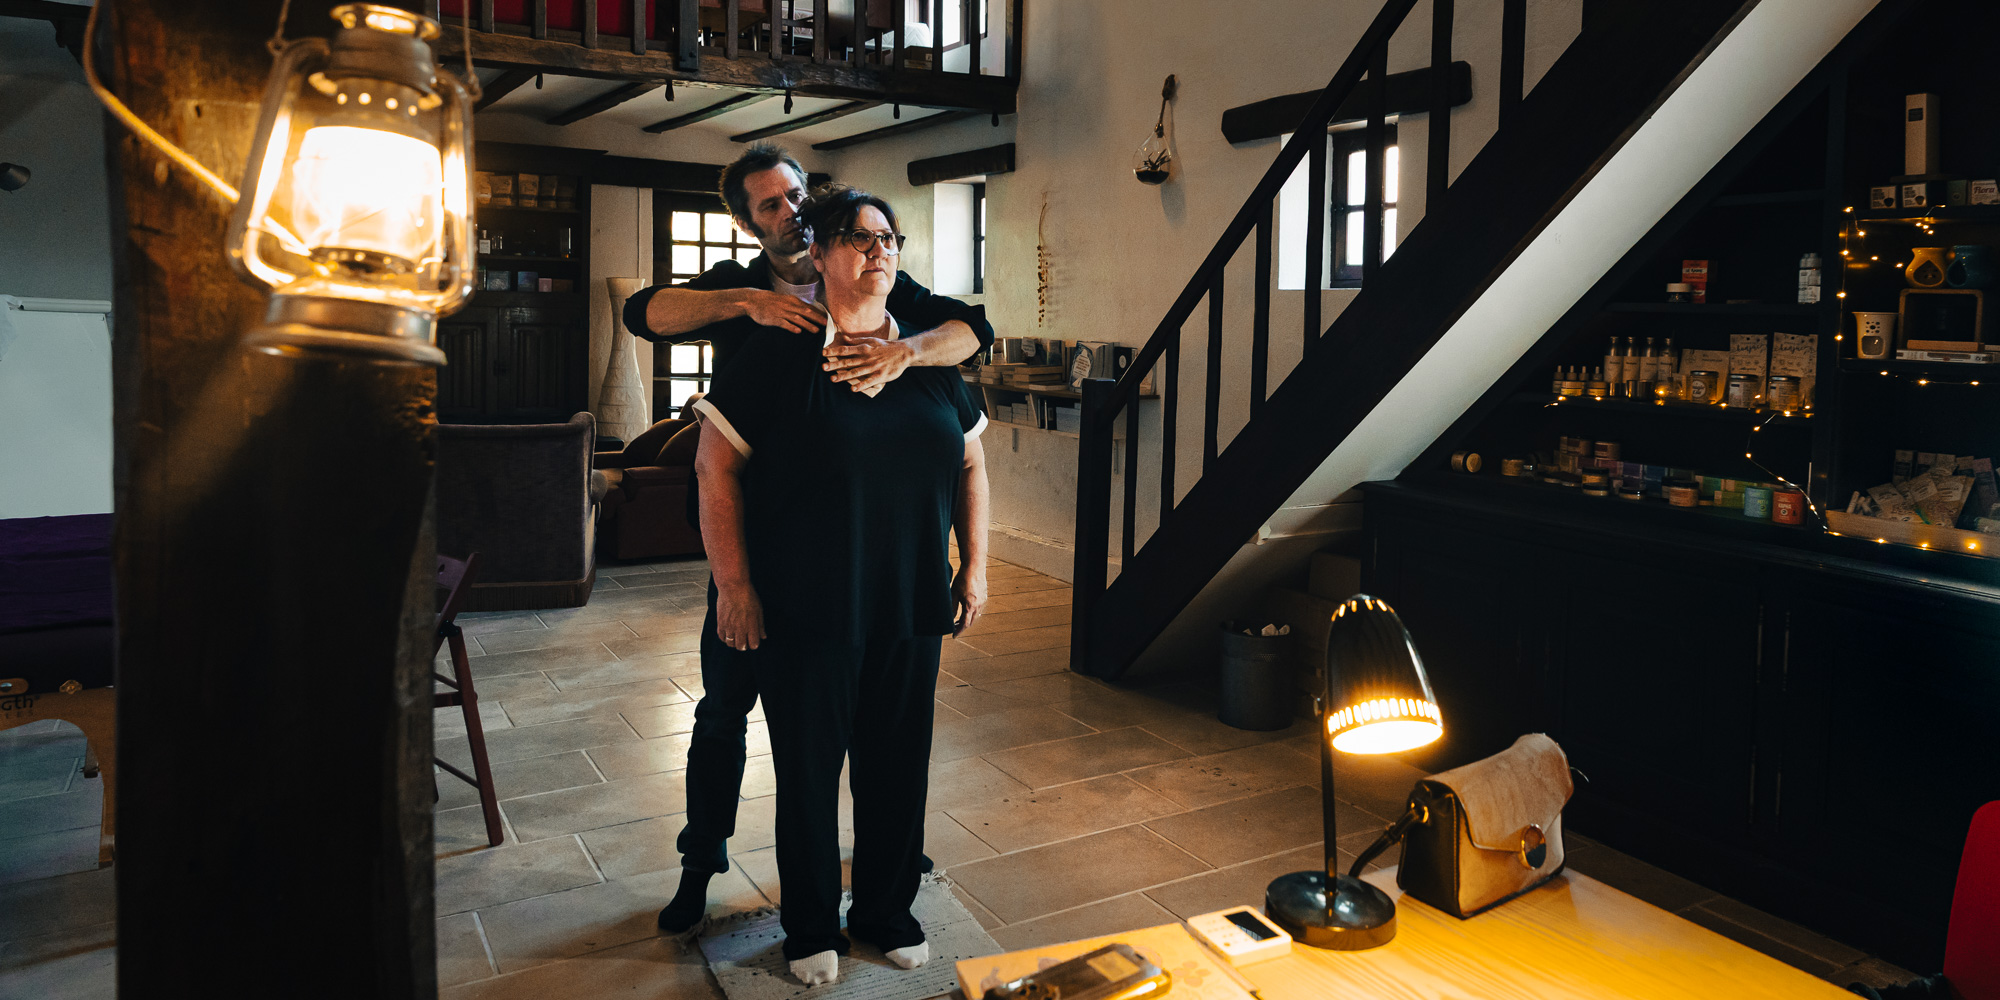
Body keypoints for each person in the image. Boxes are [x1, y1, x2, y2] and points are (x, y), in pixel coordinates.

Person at [626, 144, 993, 935]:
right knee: (724, 713)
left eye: (796, 194)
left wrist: (906, 352)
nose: (790, 211)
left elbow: (975, 328)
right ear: (747, 223)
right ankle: (701, 862)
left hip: (863, 553)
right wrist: (746, 305)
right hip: (755, 550)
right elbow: (644, 314)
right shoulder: (738, 285)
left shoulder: (879, 275)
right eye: (770, 204)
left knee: (875, 727)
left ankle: (886, 864)